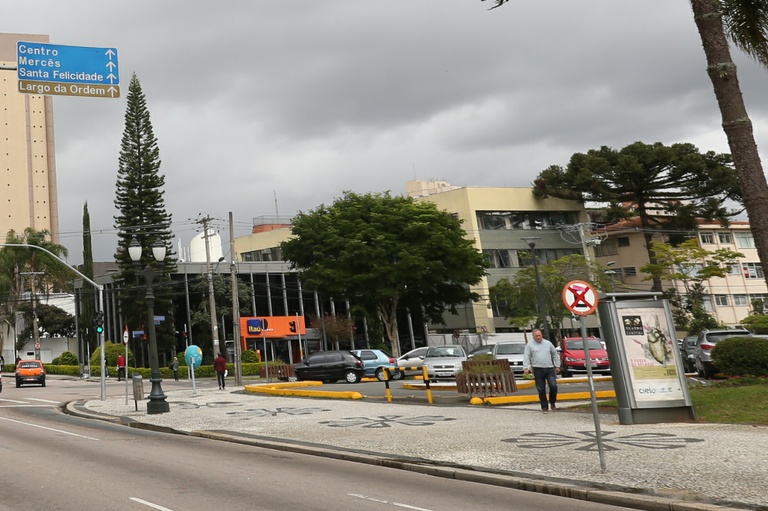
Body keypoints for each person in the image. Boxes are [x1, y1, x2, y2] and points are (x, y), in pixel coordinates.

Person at [523, 328, 561, 413]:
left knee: (553, 386)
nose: (538, 337)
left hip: (549, 368)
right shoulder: (529, 345)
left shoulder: (548, 343)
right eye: (536, 336)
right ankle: (544, 407)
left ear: (542, 335)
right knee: (541, 389)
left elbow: (555, 354)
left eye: (539, 335)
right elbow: (526, 356)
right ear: (533, 336)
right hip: (538, 369)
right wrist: (526, 367)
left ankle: (552, 402)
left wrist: (557, 365)